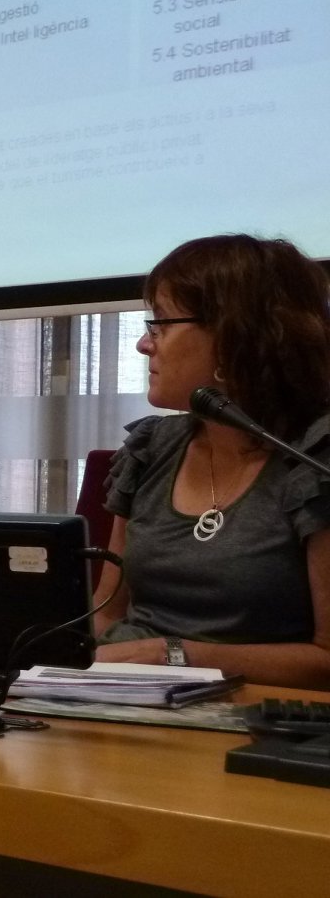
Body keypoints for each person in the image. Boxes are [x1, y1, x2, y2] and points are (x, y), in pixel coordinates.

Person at [92, 234, 330, 689]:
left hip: (254, 709)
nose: (144, 344)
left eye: (160, 325)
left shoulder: (315, 458)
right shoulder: (151, 448)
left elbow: (327, 660)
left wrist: (173, 655)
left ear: (232, 337)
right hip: (123, 696)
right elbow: (105, 612)